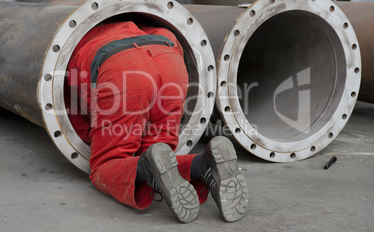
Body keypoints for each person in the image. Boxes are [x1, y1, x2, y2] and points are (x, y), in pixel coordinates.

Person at [64, 21, 248, 223]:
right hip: (169, 61)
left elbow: (78, 115)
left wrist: (112, 132)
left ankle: (146, 167)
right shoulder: (133, 24)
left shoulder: (72, 46)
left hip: (120, 69)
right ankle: (204, 165)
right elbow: (168, 34)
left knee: (104, 165)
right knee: (161, 153)